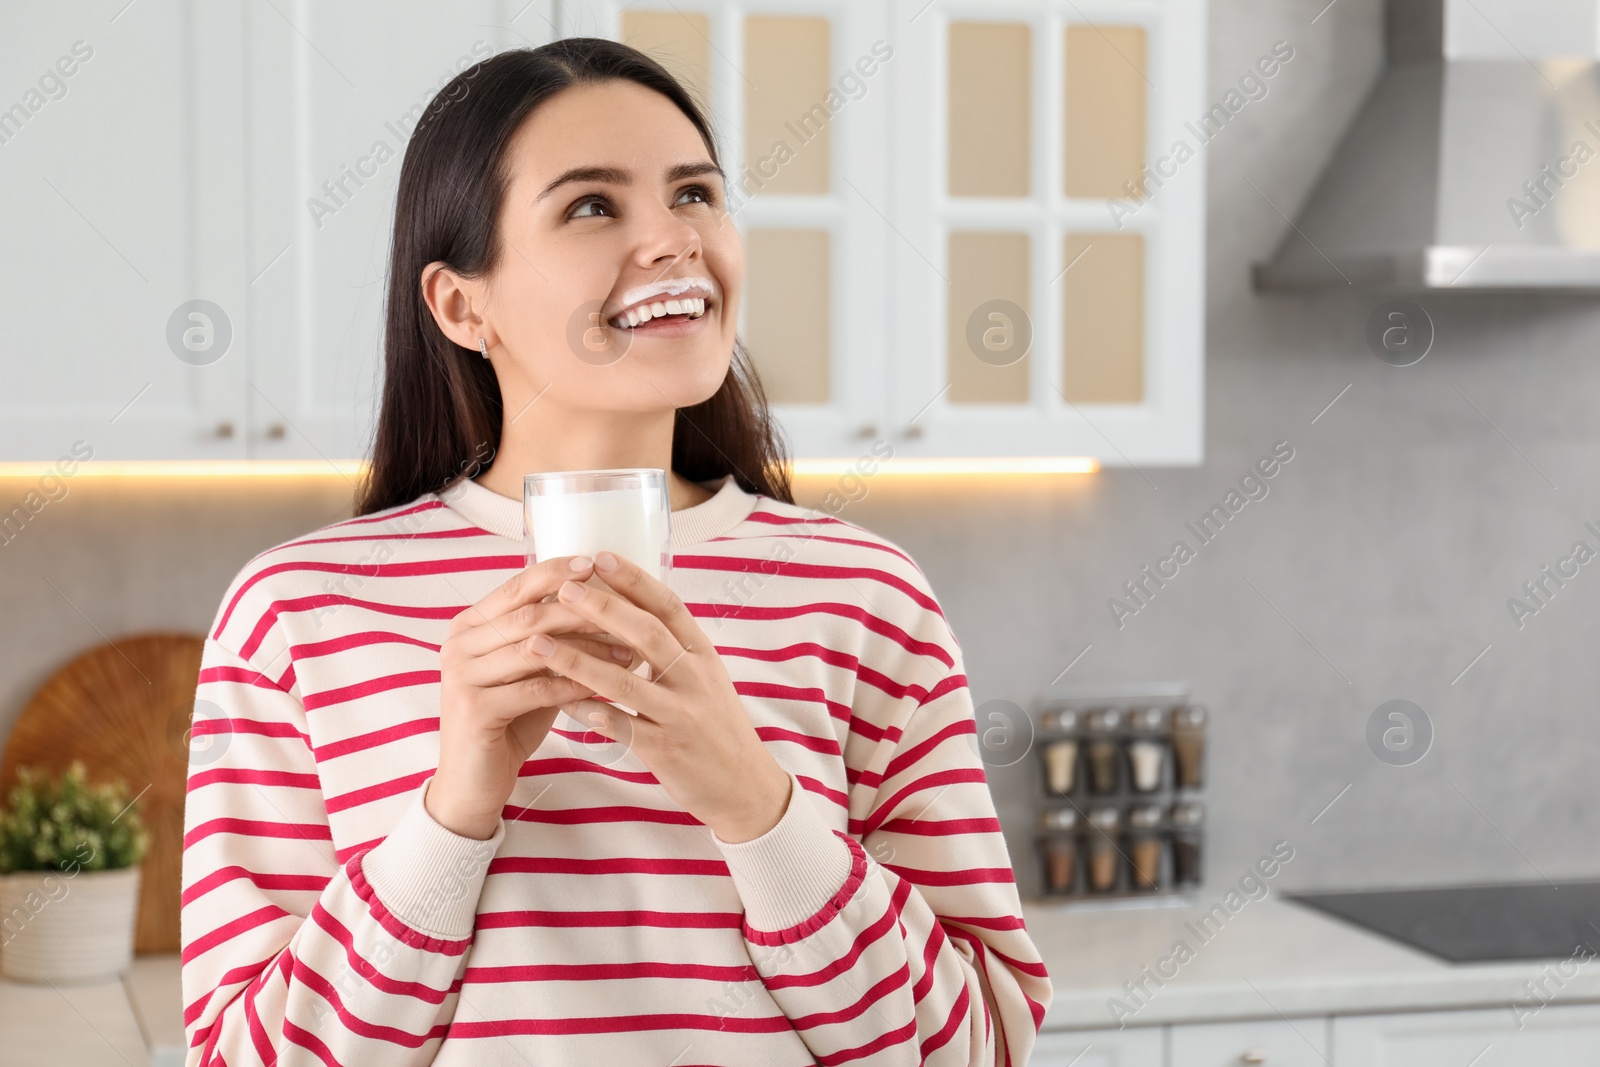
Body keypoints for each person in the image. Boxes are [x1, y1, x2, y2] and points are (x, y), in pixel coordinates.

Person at [179, 37, 1051, 1066]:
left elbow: (983, 1043)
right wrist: (454, 808)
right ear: (463, 304)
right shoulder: (300, 613)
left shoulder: (862, 595)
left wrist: (753, 803)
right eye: (592, 206)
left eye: (695, 194)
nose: (674, 239)